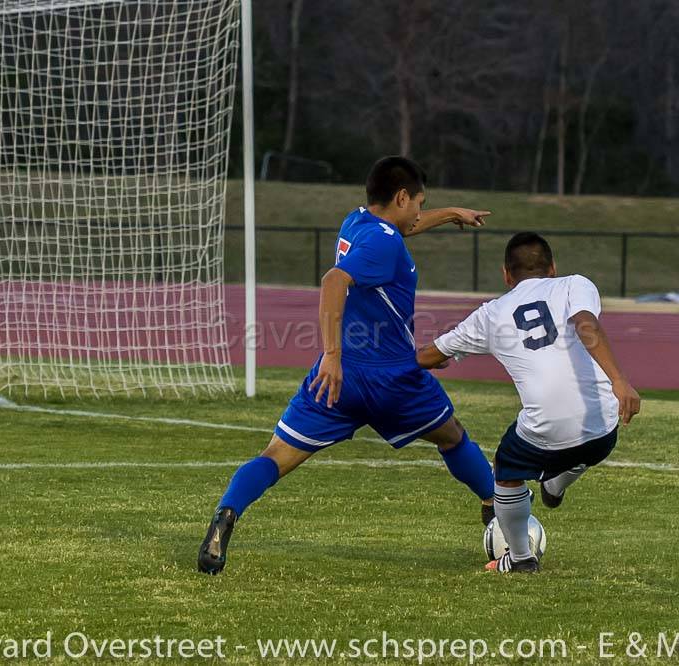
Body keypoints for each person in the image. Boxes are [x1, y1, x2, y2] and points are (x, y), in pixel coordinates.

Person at [198, 156, 496, 575]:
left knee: (275, 455)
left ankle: (226, 514)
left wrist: (449, 215)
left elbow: (403, 227)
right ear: (402, 196)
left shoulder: (355, 223)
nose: (417, 213)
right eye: (419, 203)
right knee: (453, 437)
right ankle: (496, 507)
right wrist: (333, 355)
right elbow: (333, 281)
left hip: (337, 383)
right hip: (392, 377)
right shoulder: (386, 243)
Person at [417, 232, 641, 573]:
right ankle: (556, 483)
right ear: (552, 268)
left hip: (545, 434)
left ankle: (520, 559)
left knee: (506, 472)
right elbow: (585, 323)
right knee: (585, 440)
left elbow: (431, 354)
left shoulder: (491, 314)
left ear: (507, 275)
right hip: (603, 433)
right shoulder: (575, 284)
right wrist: (620, 380)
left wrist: (432, 360)